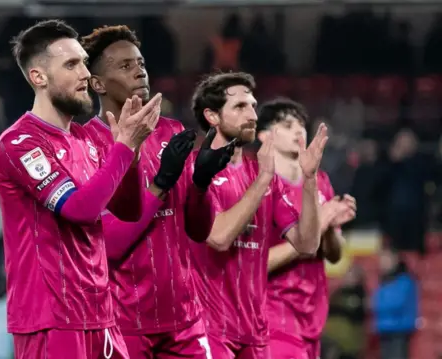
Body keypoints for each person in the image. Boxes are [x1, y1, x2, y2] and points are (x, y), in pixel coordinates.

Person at [0, 20, 162, 359]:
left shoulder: (86, 139)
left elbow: (127, 210)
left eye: (85, 61)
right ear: (38, 77)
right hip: (51, 321)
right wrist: (123, 149)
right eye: (71, 64)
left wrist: (131, 156)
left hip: (101, 315)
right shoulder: (20, 142)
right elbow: (79, 210)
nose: (85, 73)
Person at [80, 25, 235, 358]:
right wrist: (161, 184)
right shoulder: (85, 145)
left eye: (141, 63)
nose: (139, 70)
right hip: (123, 323)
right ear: (97, 83)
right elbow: (111, 245)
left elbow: (198, 230)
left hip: (186, 320)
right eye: (124, 66)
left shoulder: (172, 131)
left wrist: (201, 182)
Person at [188, 72, 328, 359]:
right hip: (208, 327)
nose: (252, 114)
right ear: (212, 116)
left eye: (252, 105)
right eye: (240, 107)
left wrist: (310, 178)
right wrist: (264, 180)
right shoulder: (195, 170)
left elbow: (307, 244)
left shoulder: (260, 173)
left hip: (255, 331)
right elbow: (218, 237)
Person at [258, 98, 356, 359]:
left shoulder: (320, 181)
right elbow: (252, 263)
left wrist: (331, 226)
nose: (299, 130)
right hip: (272, 312)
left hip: (312, 314)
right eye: (287, 125)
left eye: (301, 124)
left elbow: (333, 254)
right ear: (264, 135)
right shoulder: (256, 186)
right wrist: (321, 221)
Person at [372, 248, 418, 359]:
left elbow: (396, 303)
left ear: (395, 259)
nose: (382, 263)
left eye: (386, 259)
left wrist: (374, 304)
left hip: (399, 331)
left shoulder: (405, 280)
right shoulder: (384, 280)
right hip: (384, 329)